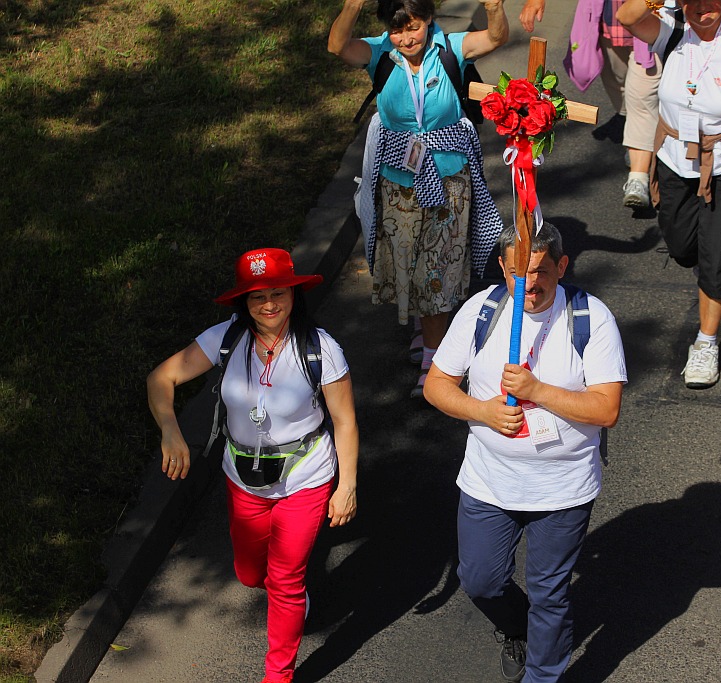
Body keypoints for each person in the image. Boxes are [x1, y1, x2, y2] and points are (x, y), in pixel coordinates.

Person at [423, 223, 627, 683]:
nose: (530, 285)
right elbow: (436, 386)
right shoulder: (482, 310)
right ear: (502, 268)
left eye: (540, 272)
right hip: (488, 480)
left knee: (548, 593)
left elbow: (606, 408)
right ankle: (520, 631)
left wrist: (536, 390)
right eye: (518, 273)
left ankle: (543, 675)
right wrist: (482, 411)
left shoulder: (590, 317)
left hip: (562, 487)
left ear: (562, 265)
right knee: (480, 580)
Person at [146, 248, 358, 683]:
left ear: (293, 294)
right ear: (243, 301)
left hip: (306, 477)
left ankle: (278, 673)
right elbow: (160, 379)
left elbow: (345, 421)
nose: (268, 305)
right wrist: (170, 429)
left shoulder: (322, 349)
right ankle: (291, 598)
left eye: (278, 293)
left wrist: (347, 484)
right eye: (257, 296)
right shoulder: (224, 339)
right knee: (249, 574)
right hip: (242, 479)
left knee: (284, 578)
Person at [328, 0, 508, 398]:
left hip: (448, 179)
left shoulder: (451, 48)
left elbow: (496, 37)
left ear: (429, 20)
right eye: (397, 30)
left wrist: (494, 7)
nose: (406, 38)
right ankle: (425, 324)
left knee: (436, 266)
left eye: (414, 27)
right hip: (397, 178)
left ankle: (435, 361)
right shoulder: (380, 52)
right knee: (407, 258)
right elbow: (337, 46)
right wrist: (352, 6)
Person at [618, 0, 721, 388]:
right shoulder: (672, 28)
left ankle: (706, 342)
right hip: (677, 158)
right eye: (694, 0)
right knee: (681, 247)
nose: (702, 8)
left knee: (715, 259)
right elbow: (627, 17)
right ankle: (712, 255)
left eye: (710, 0)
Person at [521, 0, 666, 209]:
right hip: (608, 19)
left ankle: (639, 177)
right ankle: (639, 135)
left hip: (650, 19)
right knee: (621, 87)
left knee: (640, 98)